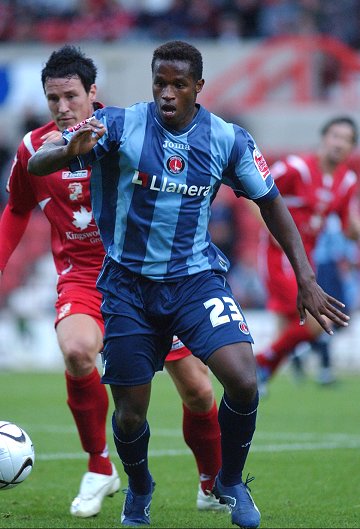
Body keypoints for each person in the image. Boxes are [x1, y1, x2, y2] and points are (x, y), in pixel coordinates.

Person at [28, 40, 349, 528]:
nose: (167, 94)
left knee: (242, 381)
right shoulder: (117, 124)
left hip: (195, 283)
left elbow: (271, 201)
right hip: (127, 288)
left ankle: (230, 481)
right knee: (131, 414)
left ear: (199, 87)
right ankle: (139, 488)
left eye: (179, 85)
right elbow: (37, 165)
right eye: (160, 83)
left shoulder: (228, 139)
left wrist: (306, 277)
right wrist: (66, 148)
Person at [0, 45, 226, 518]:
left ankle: (211, 482)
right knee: (78, 350)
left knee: (199, 391)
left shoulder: (127, 130)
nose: (63, 108)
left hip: (143, 275)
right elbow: (18, 208)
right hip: (83, 277)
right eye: (53, 99)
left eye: (71, 97)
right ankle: (101, 466)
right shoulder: (33, 149)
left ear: (93, 93)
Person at [253, 116, 359, 396]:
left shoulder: (346, 181)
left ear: (351, 147)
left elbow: (349, 227)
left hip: (305, 260)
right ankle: (258, 365)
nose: (338, 143)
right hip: (279, 255)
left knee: (293, 325)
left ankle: (260, 373)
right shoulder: (296, 168)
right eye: (334, 135)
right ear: (323, 138)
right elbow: (254, 191)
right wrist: (271, 232)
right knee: (316, 320)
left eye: (345, 139)